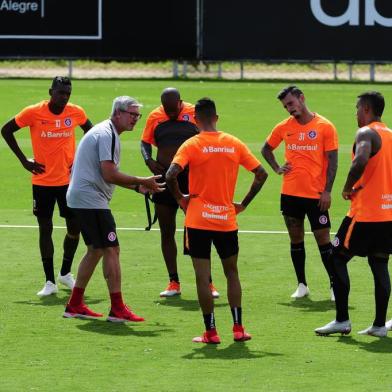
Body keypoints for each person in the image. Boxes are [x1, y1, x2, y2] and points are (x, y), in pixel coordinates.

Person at [166, 97, 268, 344]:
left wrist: (181, 198)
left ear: (196, 119)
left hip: (198, 220)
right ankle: (238, 328)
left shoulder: (192, 144)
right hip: (225, 220)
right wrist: (242, 204)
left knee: (203, 277)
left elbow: (171, 175)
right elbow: (261, 173)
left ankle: (210, 332)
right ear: (216, 118)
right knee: (232, 273)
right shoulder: (233, 143)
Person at [63, 96, 164, 321]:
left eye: (138, 115)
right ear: (117, 113)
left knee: (96, 250)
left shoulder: (106, 132)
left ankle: (75, 304)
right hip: (90, 199)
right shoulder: (107, 134)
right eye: (132, 114)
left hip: (83, 198)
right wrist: (143, 180)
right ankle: (117, 308)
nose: (136, 119)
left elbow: (106, 175)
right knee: (111, 249)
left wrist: (138, 187)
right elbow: (109, 174)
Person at [1, 76, 93, 296]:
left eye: (68, 93)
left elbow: (92, 134)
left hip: (69, 182)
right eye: (61, 92)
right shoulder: (33, 112)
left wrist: (81, 161)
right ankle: (50, 281)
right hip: (42, 182)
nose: (64, 97)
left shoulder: (75, 112)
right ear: (51, 91)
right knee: (46, 228)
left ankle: (65, 273)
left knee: (74, 228)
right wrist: (24, 161)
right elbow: (6, 130)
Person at [315, 91, 392, 337]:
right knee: (379, 263)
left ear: (367, 109)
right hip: (388, 215)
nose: (356, 113)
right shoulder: (390, 135)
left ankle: (342, 320)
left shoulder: (367, 133)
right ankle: (379, 325)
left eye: (357, 108)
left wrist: (348, 186)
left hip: (365, 214)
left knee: (336, 258)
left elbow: (359, 161)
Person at [141, 87, 219, 298]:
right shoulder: (155, 116)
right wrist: (148, 160)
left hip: (191, 180)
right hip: (164, 180)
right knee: (166, 231)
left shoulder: (194, 113)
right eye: (166, 110)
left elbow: (209, 137)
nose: (170, 114)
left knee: (198, 232)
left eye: (173, 109)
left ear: (180, 103)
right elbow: (144, 142)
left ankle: (208, 282)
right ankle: (173, 281)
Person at [261, 85, 338, 299]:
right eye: (286, 106)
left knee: (323, 238)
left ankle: (334, 285)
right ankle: (302, 285)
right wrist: (277, 167)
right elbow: (266, 148)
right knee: (295, 238)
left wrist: (327, 192)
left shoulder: (325, 126)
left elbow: (333, 161)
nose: (289, 109)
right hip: (290, 194)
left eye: (291, 104)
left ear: (302, 98)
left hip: (316, 195)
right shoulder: (284, 127)